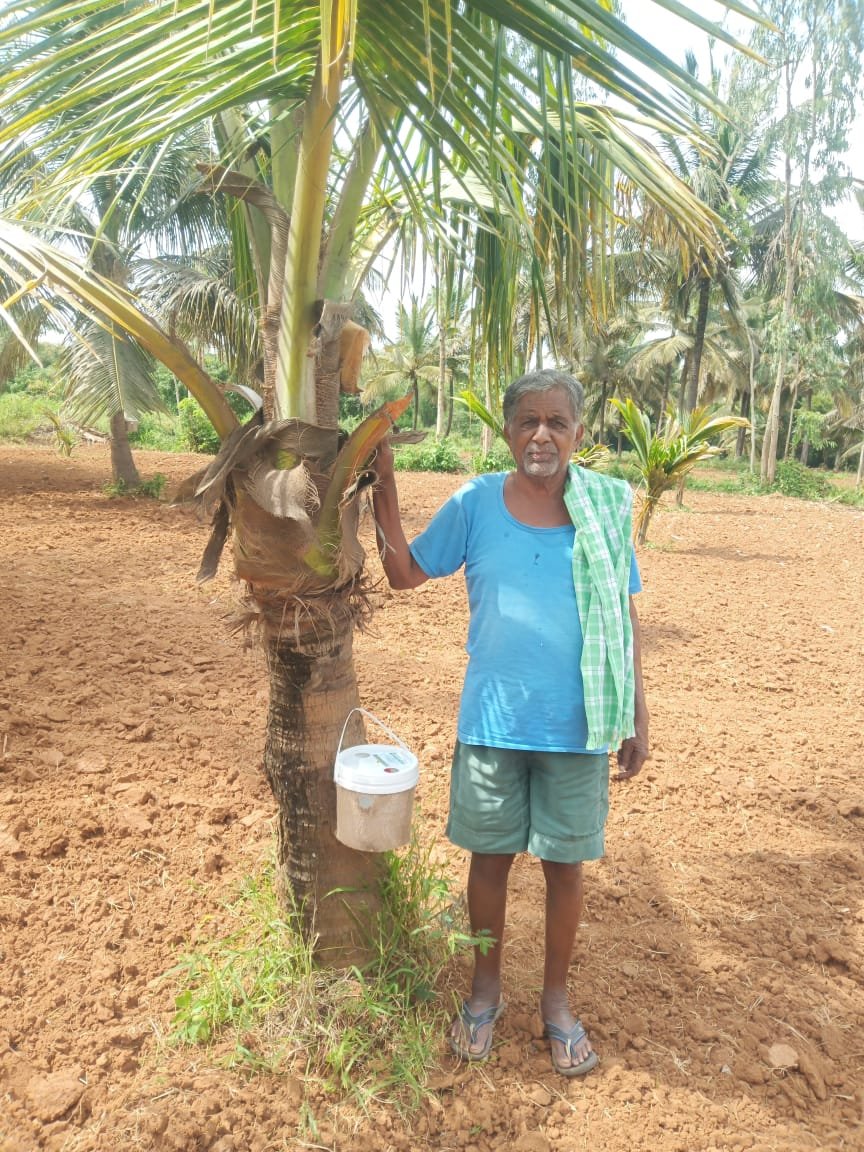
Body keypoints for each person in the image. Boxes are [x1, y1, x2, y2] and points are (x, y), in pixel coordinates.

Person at [371, 368, 649, 1078]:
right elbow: (404, 573)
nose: (542, 435)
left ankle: (555, 1001)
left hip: (578, 726)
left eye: (557, 422)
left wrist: (637, 714)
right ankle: (485, 992)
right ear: (507, 432)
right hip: (493, 723)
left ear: (578, 433)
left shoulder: (605, 509)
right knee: (489, 863)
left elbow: (621, 615)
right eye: (528, 421)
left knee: (565, 869)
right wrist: (383, 483)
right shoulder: (475, 503)